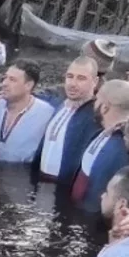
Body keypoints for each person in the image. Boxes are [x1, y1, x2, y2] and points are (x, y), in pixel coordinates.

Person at [62, 78, 129, 208]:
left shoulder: (124, 144)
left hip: (91, 218)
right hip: (76, 211)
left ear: (105, 108)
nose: (93, 104)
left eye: (97, 99)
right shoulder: (103, 131)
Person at [0, 60, 56, 163]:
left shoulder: (47, 114)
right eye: (5, 78)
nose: (4, 83)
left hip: (23, 174)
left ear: (28, 85)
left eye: (12, 80)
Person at [35, 55, 103, 183]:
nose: (73, 84)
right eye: (70, 77)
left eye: (81, 78)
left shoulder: (96, 117)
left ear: (95, 82)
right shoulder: (60, 104)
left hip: (65, 187)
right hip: (41, 180)